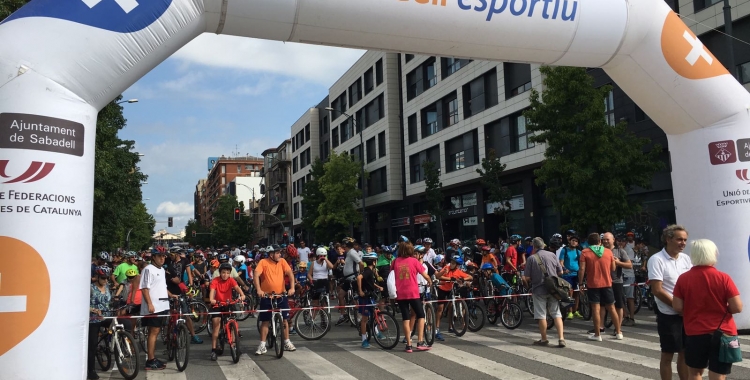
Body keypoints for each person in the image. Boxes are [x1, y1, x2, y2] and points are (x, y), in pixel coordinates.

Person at [673, 239, 742, 380]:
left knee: (695, 373)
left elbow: (677, 306)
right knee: (718, 372)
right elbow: (737, 307)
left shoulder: (683, 279)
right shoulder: (723, 278)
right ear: (712, 254)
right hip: (723, 333)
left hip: (695, 332)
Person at [648, 225, 692, 380]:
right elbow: (657, 290)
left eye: (685, 240)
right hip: (668, 313)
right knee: (668, 354)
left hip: (686, 312)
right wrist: (678, 306)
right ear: (668, 239)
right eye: (679, 239)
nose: (683, 243)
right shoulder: (657, 260)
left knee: (685, 352)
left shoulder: (686, 259)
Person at [254, 244, 297, 355]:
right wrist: (259, 290)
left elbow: (290, 274)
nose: (280, 254)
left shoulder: (282, 261)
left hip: (281, 295)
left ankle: (287, 342)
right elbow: (256, 274)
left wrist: (292, 288)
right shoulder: (263, 262)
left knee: (285, 320)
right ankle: (262, 345)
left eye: (280, 253)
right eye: (277, 253)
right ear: (271, 254)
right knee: (265, 321)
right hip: (267, 296)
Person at [578, 232, 622, 341]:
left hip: (593, 284)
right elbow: (613, 268)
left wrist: (580, 283)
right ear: (600, 241)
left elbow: (582, 269)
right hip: (607, 283)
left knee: (596, 309)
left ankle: (597, 335)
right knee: (612, 308)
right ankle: (618, 332)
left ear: (588, 242)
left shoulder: (585, 252)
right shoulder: (608, 252)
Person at [523, 237, 566, 347]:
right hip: (553, 289)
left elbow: (526, 277)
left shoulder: (531, 258)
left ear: (534, 246)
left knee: (541, 315)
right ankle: (561, 338)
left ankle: (544, 339)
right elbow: (560, 272)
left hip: (538, 289)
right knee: (556, 313)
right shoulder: (552, 255)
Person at [391, 241, 432, 352]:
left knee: (406, 317)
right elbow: (425, 275)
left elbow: (391, 276)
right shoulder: (414, 261)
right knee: (421, 315)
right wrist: (429, 281)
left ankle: (408, 345)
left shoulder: (395, 262)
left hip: (400, 293)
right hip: (413, 292)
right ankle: (420, 341)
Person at [139, 247, 171, 371]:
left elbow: (161, 286)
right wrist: (150, 304)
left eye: (164, 256)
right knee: (153, 333)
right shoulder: (148, 269)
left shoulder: (162, 269)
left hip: (163, 305)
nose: (162, 258)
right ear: (153, 257)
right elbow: (144, 288)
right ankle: (150, 360)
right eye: (159, 256)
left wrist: (171, 294)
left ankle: (153, 358)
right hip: (154, 308)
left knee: (156, 332)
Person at [208, 262, 246, 361]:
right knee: (216, 324)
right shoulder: (215, 281)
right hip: (217, 304)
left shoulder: (231, 280)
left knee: (233, 324)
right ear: (220, 273)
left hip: (228, 303)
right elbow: (212, 291)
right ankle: (213, 349)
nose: (225, 275)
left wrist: (242, 295)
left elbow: (237, 288)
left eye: (228, 272)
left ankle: (234, 345)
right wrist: (212, 299)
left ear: (230, 273)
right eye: (223, 272)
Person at [435, 255, 472, 341]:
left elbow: (470, 277)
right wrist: (449, 278)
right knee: (440, 308)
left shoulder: (458, 271)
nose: (451, 264)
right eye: (451, 262)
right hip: (442, 289)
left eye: (453, 263)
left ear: (457, 265)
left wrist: (463, 279)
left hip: (451, 290)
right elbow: (439, 277)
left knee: (451, 307)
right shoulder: (446, 268)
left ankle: (450, 327)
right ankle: (437, 329)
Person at [601, 232, 630, 333]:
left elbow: (629, 265)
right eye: (603, 239)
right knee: (602, 305)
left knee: (618, 305)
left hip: (616, 281)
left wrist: (618, 263)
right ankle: (601, 327)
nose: (605, 241)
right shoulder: (601, 251)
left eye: (607, 239)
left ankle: (618, 328)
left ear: (613, 240)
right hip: (603, 281)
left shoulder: (620, 251)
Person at [88, 266, 113, 379]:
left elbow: (109, 302)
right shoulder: (91, 288)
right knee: (92, 345)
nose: (106, 280)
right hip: (94, 319)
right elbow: (82, 304)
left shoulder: (107, 287)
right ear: (97, 277)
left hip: (106, 317)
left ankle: (114, 343)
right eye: (103, 278)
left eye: (107, 278)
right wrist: (93, 310)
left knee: (123, 324)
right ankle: (91, 370)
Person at [357, 251, 383, 349]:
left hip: (370, 295)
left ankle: (377, 332)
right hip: (365, 297)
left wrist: (378, 286)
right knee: (365, 319)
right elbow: (359, 278)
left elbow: (370, 282)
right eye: (375, 260)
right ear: (373, 262)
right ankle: (364, 340)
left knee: (374, 314)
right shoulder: (367, 271)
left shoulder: (370, 271)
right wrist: (360, 291)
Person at [558, 233, 582, 319]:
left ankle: (576, 310)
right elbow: (561, 262)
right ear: (569, 241)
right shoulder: (564, 250)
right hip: (567, 275)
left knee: (577, 293)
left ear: (578, 243)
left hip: (576, 274)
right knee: (569, 293)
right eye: (572, 240)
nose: (574, 242)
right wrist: (564, 268)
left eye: (576, 241)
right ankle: (570, 311)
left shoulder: (578, 252)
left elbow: (581, 263)